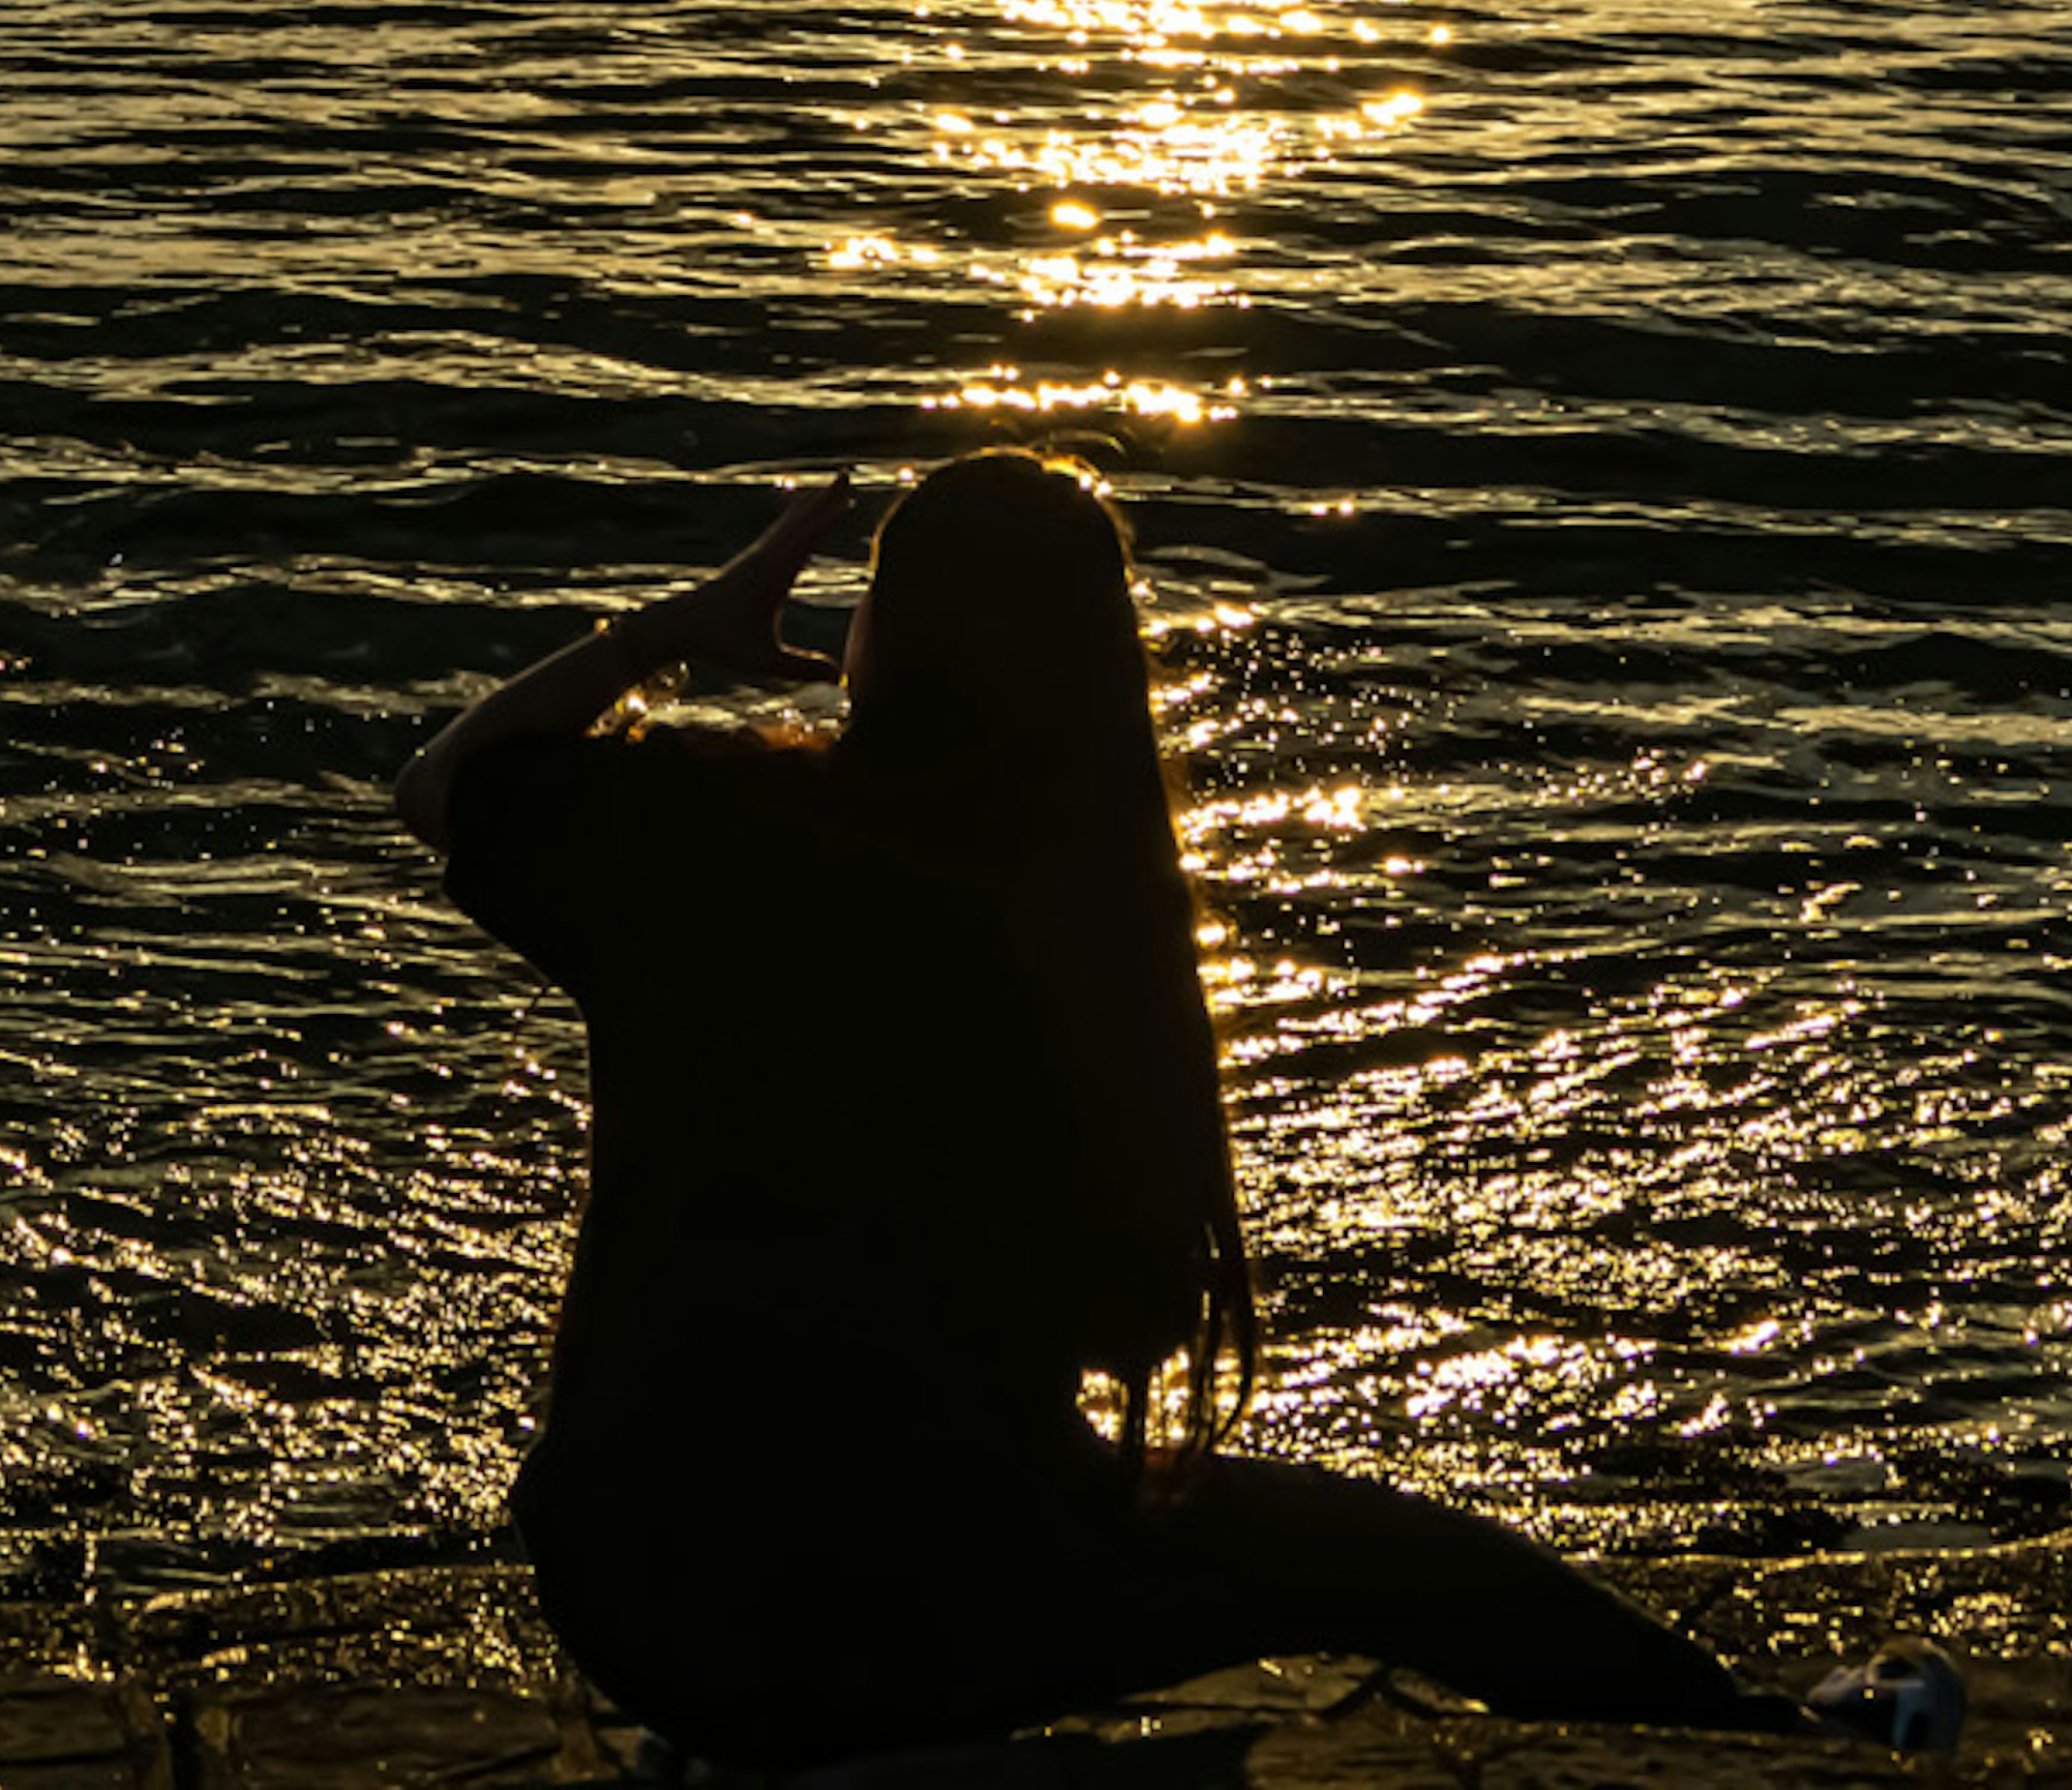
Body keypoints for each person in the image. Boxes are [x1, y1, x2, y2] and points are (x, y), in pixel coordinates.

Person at [400, 449, 1959, 1773]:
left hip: (642, 1588)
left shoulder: (700, 834)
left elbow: (449, 783)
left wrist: (677, 629)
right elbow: (1122, 1324)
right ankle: (1788, 1731)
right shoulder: (1087, 925)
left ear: (884, 632)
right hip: (932, 1613)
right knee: (1407, 1567)